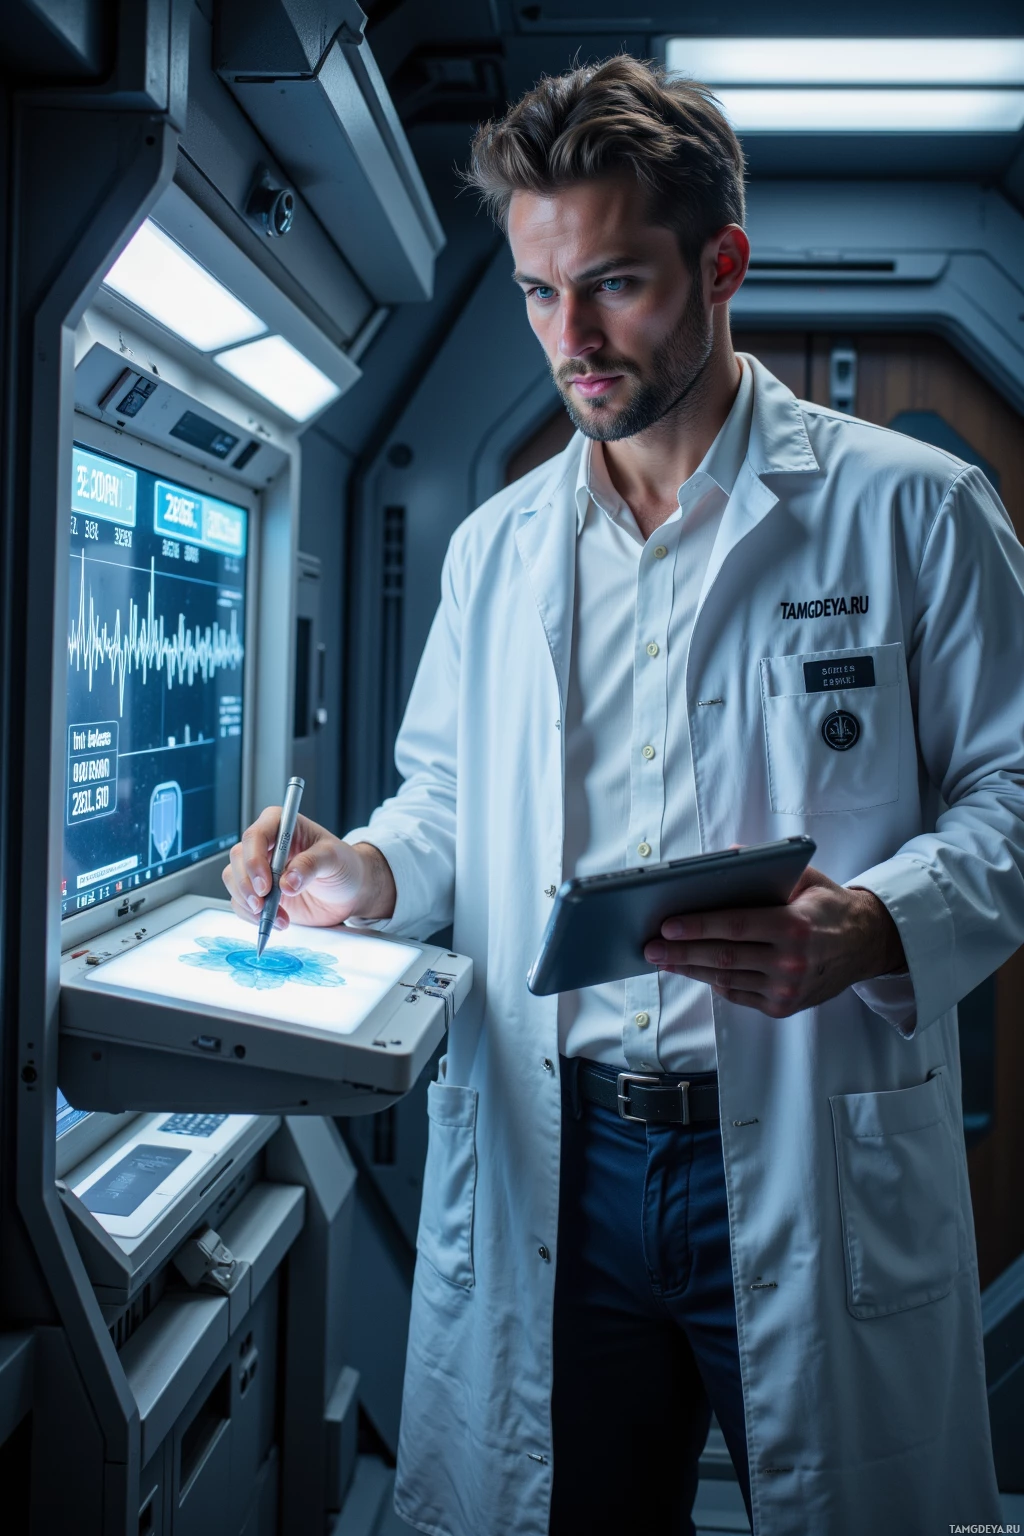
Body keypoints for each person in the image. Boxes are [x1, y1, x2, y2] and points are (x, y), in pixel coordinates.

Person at [224, 55, 1024, 1536]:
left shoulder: (911, 510)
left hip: (798, 1132)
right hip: (557, 1148)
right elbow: (447, 805)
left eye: (614, 286)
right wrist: (366, 877)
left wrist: (873, 926)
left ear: (722, 263)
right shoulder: (497, 548)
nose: (570, 338)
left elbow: (1014, 794)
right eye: (536, 294)